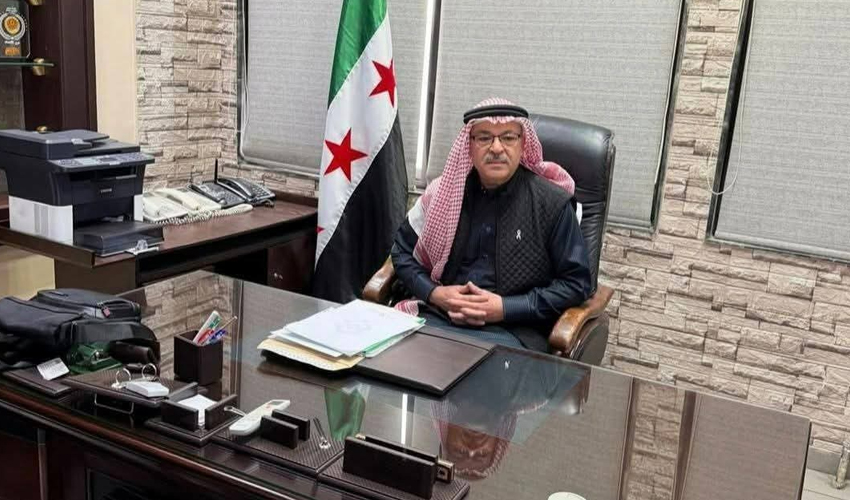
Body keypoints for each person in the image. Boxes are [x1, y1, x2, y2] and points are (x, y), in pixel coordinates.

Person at [391, 97, 592, 350]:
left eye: (508, 137)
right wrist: (434, 293)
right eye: (484, 137)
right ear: (469, 145)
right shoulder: (443, 193)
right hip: (438, 318)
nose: (496, 148)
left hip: (513, 332)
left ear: (523, 144)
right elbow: (401, 252)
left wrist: (506, 308)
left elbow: (576, 284)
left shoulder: (552, 203)